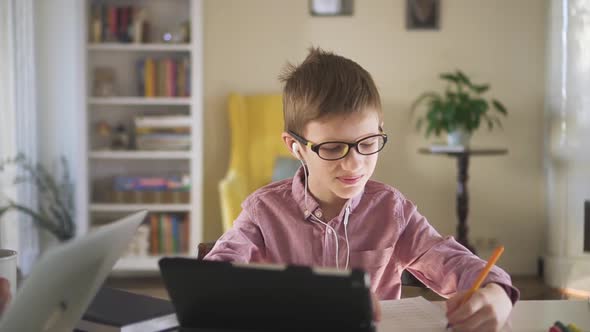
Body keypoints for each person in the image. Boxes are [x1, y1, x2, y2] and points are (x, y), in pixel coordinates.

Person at [205, 47, 519, 332]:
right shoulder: (263, 212)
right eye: (332, 148)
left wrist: (497, 295)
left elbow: (458, 265)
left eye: (368, 144)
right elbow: (210, 283)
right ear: (296, 147)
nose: (354, 164)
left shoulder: (392, 210)